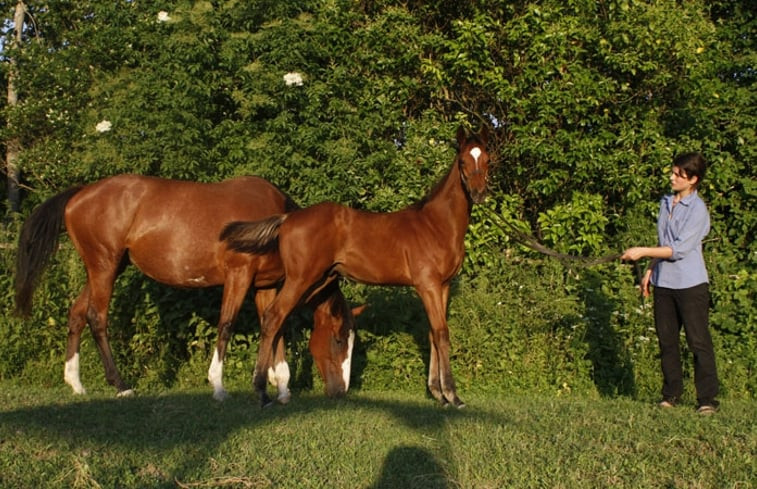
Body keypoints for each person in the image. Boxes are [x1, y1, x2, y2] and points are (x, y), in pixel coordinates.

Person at [620, 152, 719, 414]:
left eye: (679, 175)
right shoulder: (666, 202)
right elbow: (663, 243)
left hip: (690, 284)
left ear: (693, 179)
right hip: (665, 283)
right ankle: (671, 394)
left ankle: (707, 399)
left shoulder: (698, 211)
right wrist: (650, 270)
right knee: (667, 341)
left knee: (698, 342)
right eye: (673, 172)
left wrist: (642, 251)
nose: (672, 177)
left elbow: (678, 249)